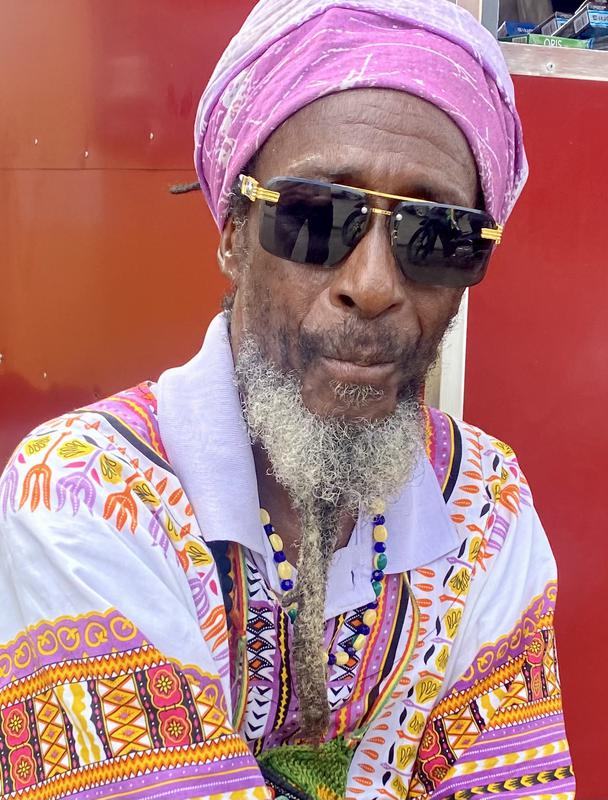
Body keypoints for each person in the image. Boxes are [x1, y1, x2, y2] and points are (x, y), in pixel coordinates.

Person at [0, 0, 574, 798]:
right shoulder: (80, 494)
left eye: (436, 237)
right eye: (316, 217)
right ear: (234, 234)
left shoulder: (487, 504)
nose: (373, 285)